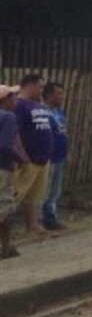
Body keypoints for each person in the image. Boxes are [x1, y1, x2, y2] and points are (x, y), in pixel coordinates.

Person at [12, 74, 54, 238]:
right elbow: (16, 133)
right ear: (30, 85)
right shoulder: (19, 105)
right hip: (29, 158)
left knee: (34, 196)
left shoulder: (38, 105)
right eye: (40, 87)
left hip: (43, 158)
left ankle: (32, 225)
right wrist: (22, 155)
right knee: (15, 194)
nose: (42, 91)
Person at [40, 81, 69, 232]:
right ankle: (42, 220)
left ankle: (51, 218)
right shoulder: (42, 112)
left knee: (54, 191)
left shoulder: (59, 112)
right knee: (45, 190)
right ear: (49, 94)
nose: (61, 97)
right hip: (48, 157)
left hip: (59, 156)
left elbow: (63, 132)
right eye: (58, 93)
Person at [0, 84, 22, 259]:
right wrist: (20, 159)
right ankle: (5, 247)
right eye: (12, 97)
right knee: (5, 208)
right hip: (2, 168)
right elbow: (5, 146)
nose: (15, 100)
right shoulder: (8, 117)